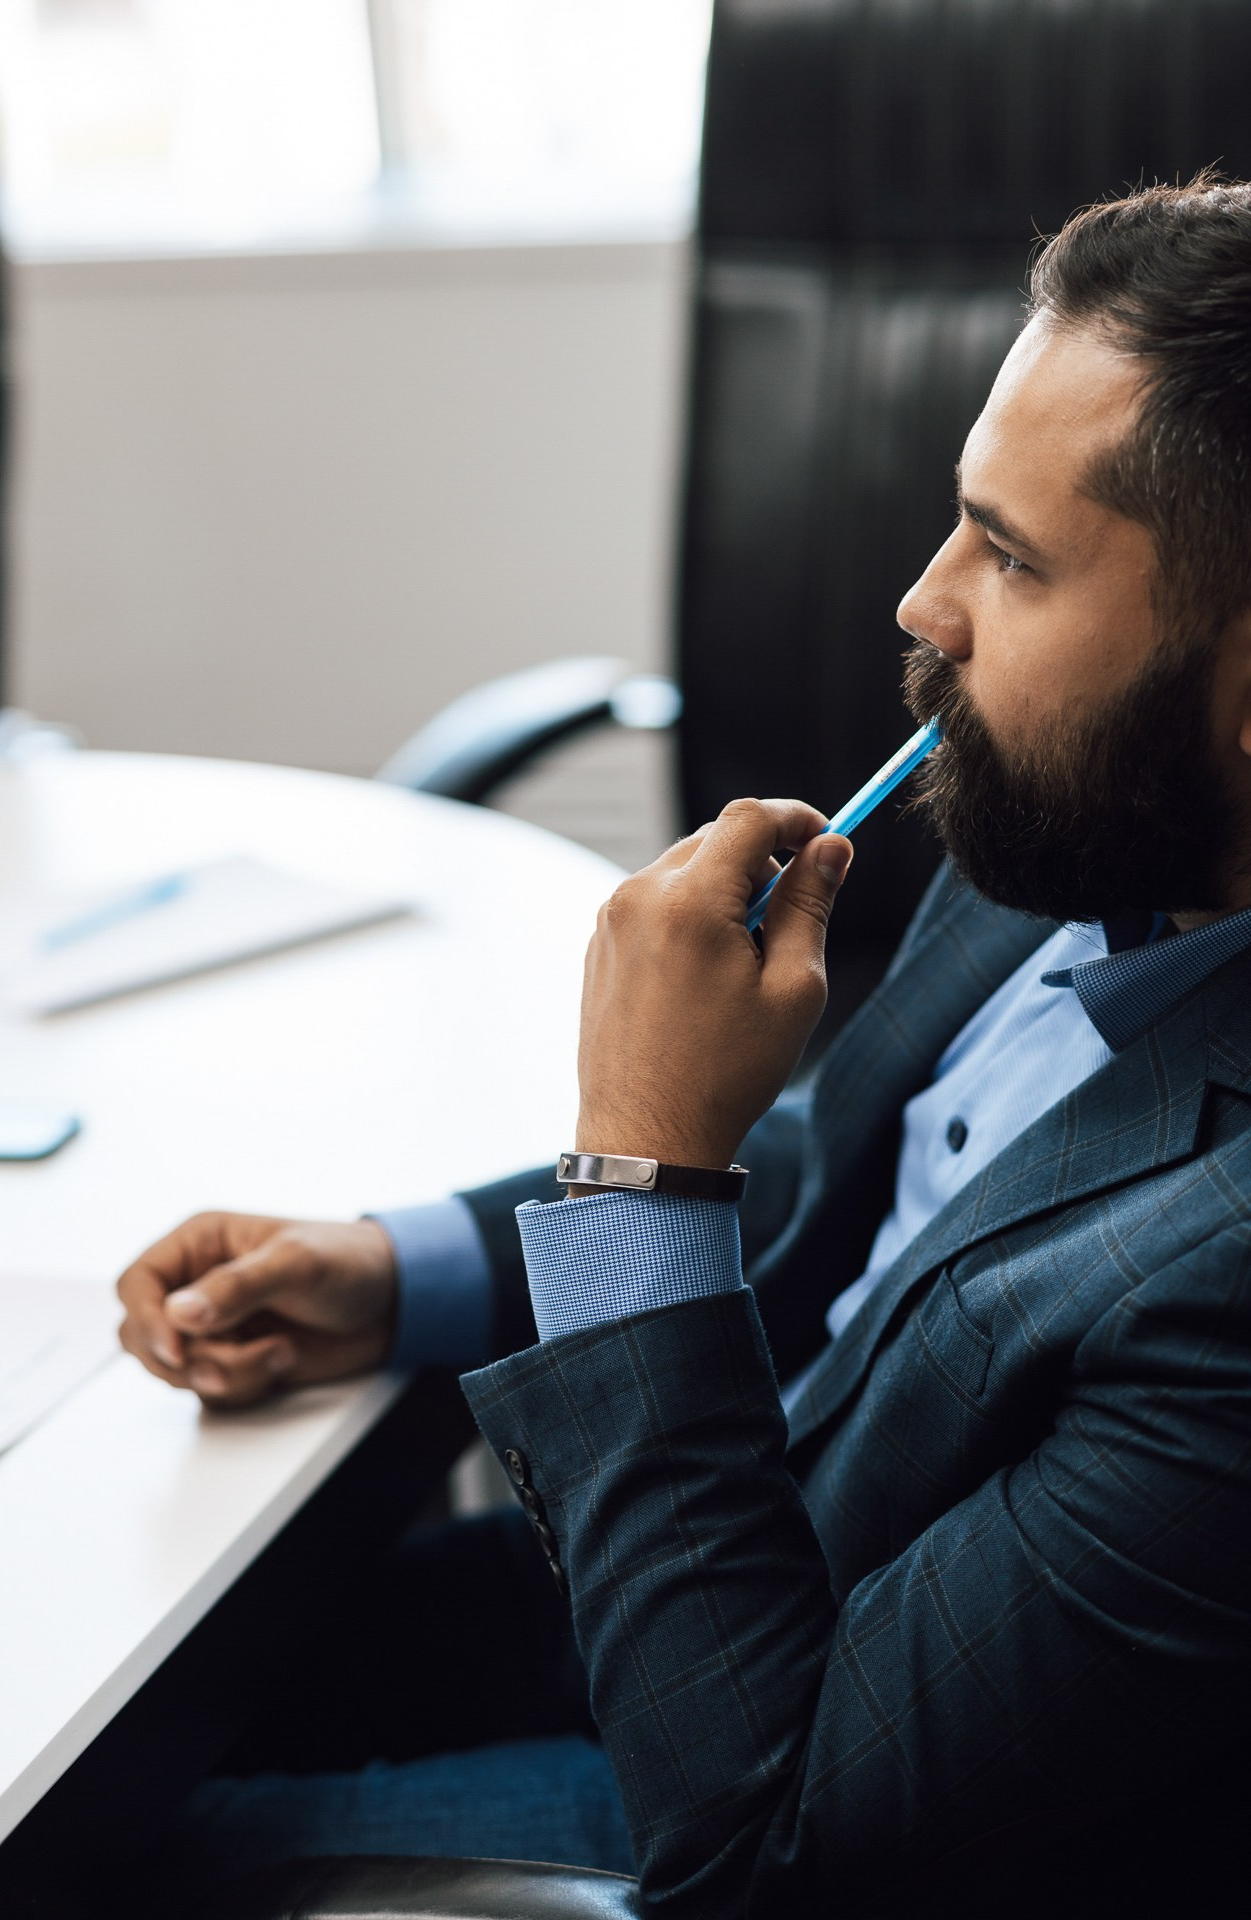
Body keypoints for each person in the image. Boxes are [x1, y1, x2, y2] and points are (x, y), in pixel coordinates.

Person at [118, 177, 1251, 1917]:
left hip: (751, 1738)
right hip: (678, 1551)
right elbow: (897, 1163)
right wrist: (410, 1266)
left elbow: (761, 1847)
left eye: (1013, 559)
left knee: (77, 1849)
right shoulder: (1100, 826)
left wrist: (638, 1165)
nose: (924, 605)